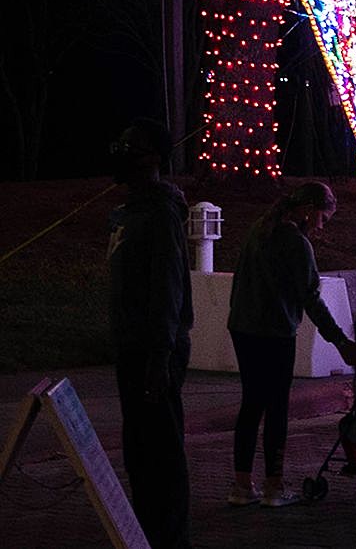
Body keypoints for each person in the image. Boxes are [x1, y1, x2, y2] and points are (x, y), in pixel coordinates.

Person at [226, 182, 356, 508]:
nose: (322, 226)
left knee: (251, 404)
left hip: (243, 328)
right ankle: (274, 485)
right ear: (310, 209)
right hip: (274, 332)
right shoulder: (295, 242)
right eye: (323, 218)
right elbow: (311, 298)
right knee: (276, 408)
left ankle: (242, 485)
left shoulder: (261, 228)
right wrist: (340, 340)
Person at [106, 119, 193, 548]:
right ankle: (144, 531)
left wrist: (160, 355)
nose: (121, 150)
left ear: (154, 158)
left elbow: (168, 287)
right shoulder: (128, 212)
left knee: (162, 449)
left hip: (154, 351)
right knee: (139, 450)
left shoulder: (160, 214)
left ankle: (171, 537)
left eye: (131, 145)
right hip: (130, 347)